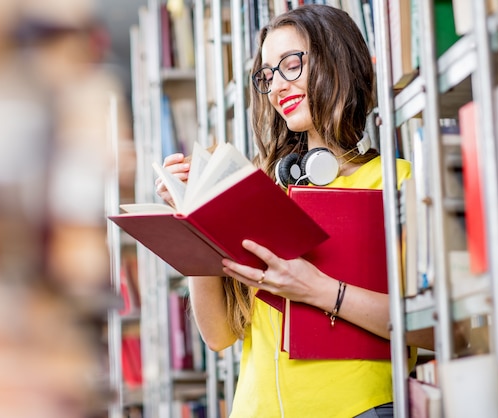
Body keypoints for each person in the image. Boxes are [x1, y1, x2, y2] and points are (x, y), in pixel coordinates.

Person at [156, 5, 435, 417]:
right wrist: (196, 219)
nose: (276, 87)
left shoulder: (395, 180)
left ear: (337, 61)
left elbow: (433, 327)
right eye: (267, 75)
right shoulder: (260, 190)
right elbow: (217, 335)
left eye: (290, 65)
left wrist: (318, 290)